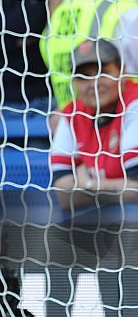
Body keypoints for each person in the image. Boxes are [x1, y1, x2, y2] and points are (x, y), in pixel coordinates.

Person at [50, 39, 138, 211]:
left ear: (123, 73)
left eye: (103, 72)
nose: (94, 84)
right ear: (75, 82)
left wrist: (89, 184)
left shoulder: (134, 104)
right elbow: (64, 195)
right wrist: (117, 187)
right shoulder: (72, 114)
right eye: (84, 77)